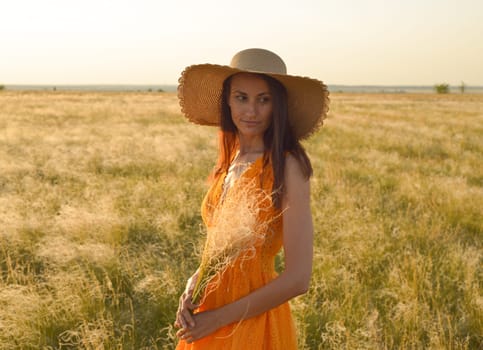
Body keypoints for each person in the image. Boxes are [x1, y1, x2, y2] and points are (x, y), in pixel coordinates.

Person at [174, 48, 329, 349]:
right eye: (241, 97)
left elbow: (298, 278)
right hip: (206, 314)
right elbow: (222, 248)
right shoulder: (231, 158)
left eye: (264, 99)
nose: (251, 112)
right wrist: (194, 282)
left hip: (251, 323)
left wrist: (219, 318)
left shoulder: (288, 166)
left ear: (278, 105)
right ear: (228, 101)